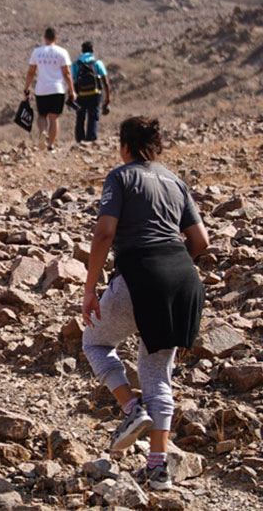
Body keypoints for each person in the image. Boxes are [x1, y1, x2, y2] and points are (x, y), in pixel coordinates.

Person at [81, 117, 209, 490]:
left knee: (96, 341)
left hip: (139, 273)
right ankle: (158, 469)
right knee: (157, 374)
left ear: (124, 145)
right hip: (184, 279)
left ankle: (131, 409)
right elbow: (201, 241)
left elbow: (105, 231)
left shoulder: (121, 177)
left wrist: (90, 289)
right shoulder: (175, 181)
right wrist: (172, 268)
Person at [23, 27, 76, 152]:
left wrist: (26, 88)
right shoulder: (62, 52)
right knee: (53, 117)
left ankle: (42, 132)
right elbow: (67, 73)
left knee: (42, 115)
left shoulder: (37, 52)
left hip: (41, 89)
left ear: (44, 37)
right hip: (57, 89)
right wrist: (72, 90)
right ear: (56, 38)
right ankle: (50, 146)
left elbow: (31, 72)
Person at [72, 41, 111, 142]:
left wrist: (71, 95)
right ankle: (91, 139)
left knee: (80, 117)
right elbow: (105, 81)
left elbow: (72, 81)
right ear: (92, 51)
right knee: (93, 117)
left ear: (82, 51)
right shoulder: (97, 63)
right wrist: (108, 97)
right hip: (95, 93)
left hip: (80, 94)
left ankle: (80, 140)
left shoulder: (76, 64)